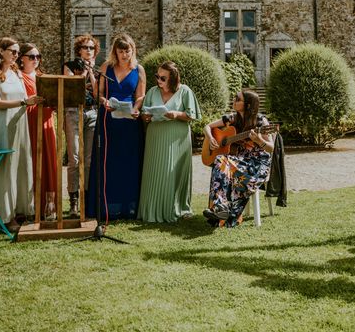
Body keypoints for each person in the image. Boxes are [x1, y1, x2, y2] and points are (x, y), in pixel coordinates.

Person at [0, 38, 42, 232]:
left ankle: (20, 211)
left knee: (21, 167)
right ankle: (5, 216)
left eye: (18, 52)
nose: (16, 56)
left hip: (20, 125)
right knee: (5, 169)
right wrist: (24, 103)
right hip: (1, 126)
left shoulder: (16, 73)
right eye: (13, 51)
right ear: (1, 51)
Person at [86, 33, 145, 220]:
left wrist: (136, 109)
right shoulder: (106, 67)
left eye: (127, 51)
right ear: (115, 52)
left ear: (132, 51)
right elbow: (98, 92)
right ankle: (105, 207)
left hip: (129, 121)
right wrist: (104, 102)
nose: (124, 55)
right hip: (108, 120)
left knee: (127, 162)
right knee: (107, 161)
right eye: (121, 52)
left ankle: (128, 207)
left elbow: (140, 96)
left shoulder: (139, 70)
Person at [137, 61, 201, 222]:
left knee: (175, 171)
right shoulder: (152, 92)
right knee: (154, 172)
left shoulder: (185, 91)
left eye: (163, 78)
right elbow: (145, 113)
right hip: (156, 136)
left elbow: (192, 115)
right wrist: (146, 116)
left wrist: (177, 115)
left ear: (173, 78)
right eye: (157, 76)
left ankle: (179, 208)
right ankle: (151, 210)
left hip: (177, 137)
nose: (159, 80)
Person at [202, 89, 275, 227]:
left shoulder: (260, 121)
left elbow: (271, 148)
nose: (234, 101)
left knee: (221, 162)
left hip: (257, 165)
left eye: (238, 99)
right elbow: (207, 126)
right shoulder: (232, 118)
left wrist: (259, 140)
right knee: (219, 160)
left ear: (247, 105)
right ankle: (220, 209)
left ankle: (220, 209)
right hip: (239, 161)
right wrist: (211, 138)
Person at [18, 43, 58, 219]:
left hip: (46, 122)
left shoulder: (43, 77)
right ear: (21, 58)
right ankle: (29, 207)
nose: (36, 60)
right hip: (29, 123)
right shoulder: (18, 77)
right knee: (31, 162)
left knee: (49, 162)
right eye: (32, 56)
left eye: (38, 57)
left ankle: (49, 207)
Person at [63, 34, 99, 218]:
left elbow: (96, 92)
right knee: (74, 158)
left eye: (92, 48)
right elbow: (71, 89)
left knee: (89, 159)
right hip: (73, 112)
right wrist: (84, 72)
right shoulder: (69, 66)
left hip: (92, 112)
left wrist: (91, 73)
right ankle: (73, 202)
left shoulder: (98, 70)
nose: (88, 50)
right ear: (79, 50)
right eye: (85, 47)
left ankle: (87, 199)